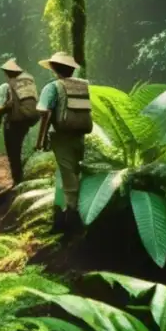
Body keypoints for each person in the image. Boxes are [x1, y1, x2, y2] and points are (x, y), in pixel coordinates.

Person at [34, 52, 93, 232]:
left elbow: (45, 113)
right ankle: (62, 216)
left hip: (62, 137)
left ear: (54, 69)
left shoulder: (52, 87)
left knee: (68, 178)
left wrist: (40, 140)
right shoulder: (83, 86)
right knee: (72, 172)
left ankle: (71, 221)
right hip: (80, 135)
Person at [0, 58, 40, 185]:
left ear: (9, 72)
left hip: (16, 120)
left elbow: (11, 104)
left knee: (12, 150)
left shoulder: (13, 83)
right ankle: (21, 176)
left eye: (6, 72)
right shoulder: (29, 81)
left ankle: (17, 180)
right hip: (29, 118)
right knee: (19, 147)